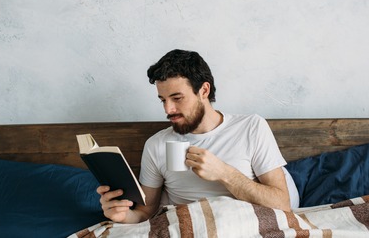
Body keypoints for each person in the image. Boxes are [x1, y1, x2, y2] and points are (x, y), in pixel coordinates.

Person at [97, 49, 300, 224]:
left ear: (204, 90)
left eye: (177, 98)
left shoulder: (250, 127)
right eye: (163, 100)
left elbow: (282, 204)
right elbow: (145, 211)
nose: (169, 109)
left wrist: (224, 173)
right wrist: (122, 216)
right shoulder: (157, 145)